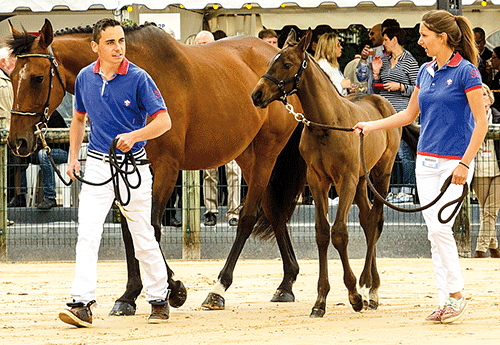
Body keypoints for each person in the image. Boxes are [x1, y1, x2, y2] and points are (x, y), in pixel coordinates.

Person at [353, 10, 487, 324]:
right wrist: (371, 126)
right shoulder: (425, 71)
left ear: (443, 37)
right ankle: (446, 301)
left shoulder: (467, 73)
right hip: (425, 163)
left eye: (425, 35)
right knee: (434, 233)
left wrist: (465, 164)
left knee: (441, 229)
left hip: (454, 164)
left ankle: (455, 295)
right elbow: (409, 115)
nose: (420, 40)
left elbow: (480, 124)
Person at [59, 18, 172, 327]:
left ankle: (159, 296)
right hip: (96, 164)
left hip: (132, 165)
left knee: (142, 236)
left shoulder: (138, 78)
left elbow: (164, 121)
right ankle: (82, 301)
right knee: (87, 232)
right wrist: (73, 158)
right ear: (95, 46)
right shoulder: (84, 77)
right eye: (110, 42)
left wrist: (135, 136)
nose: (118, 47)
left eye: (121, 41)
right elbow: (79, 119)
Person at [194, 30, 241, 227]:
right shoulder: (194, 67)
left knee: (234, 171)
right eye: (199, 44)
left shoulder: (225, 65)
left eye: (206, 43)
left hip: (228, 125)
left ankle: (234, 212)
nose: (203, 47)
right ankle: (210, 210)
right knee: (208, 171)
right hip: (206, 126)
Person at [372, 26, 419, 203]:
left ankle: (408, 190)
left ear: (394, 40)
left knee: (404, 153)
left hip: (402, 112)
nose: (383, 43)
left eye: (385, 40)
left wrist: (400, 87)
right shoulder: (384, 60)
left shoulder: (409, 61)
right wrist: (376, 73)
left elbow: (417, 88)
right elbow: (376, 86)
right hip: (385, 113)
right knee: (390, 153)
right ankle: (396, 188)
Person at [472, 84, 500, 259]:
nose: (481, 98)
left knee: (491, 210)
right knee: (485, 211)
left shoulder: (498, 117)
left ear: (489, 98)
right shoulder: (468, 118)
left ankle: (480, 251)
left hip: (498, 169)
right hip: (478, 170)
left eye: (483, 94)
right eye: (477, 94)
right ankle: (495, 248)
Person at [356, 19, 400, 95]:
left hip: (397, 103)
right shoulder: (372, 53)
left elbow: (414, 86)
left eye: (389, 34)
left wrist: (400, 86)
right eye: (384, 34)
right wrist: (363, 59)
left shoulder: (405, 56)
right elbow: (361, 78)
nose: (385, 36)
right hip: (374, 103)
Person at [0, 47, 17, 225]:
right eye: (13, 58)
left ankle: (2, 218)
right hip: (3, 134)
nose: (16, 61)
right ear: (3, 62)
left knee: (4, 180)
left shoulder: (9, 79)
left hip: (7, 137)